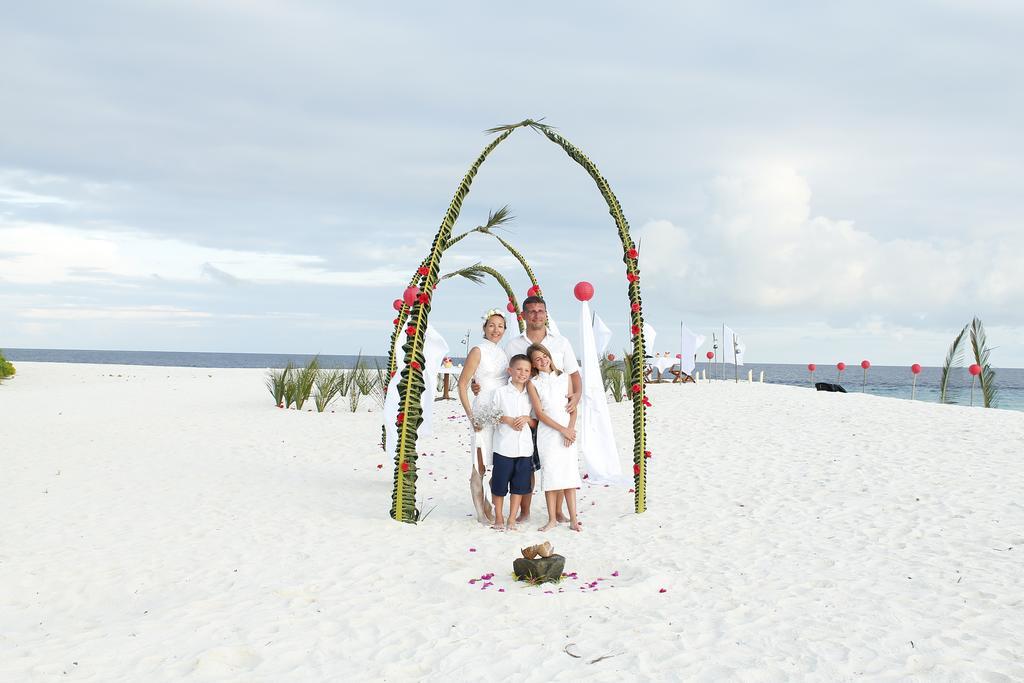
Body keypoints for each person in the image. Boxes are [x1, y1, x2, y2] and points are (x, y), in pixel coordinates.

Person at [504, 296, 581, 522]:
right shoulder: (513, 345)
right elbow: (504, 376)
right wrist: (478, 386)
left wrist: (576, 396)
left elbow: (574, 374)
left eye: (541, 311)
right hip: (526, 413)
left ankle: (557, 511)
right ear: (524, 315)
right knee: (526, 465)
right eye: (532, 311)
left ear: (546, 314)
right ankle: (525, 511)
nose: (537, 315)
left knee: (556, 461)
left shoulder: (561, 342)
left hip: (556, 415)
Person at [457, 310, 509, 524]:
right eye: (492, 325)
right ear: (484, 328)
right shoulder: (478, 350)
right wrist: (472, 417)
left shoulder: (503, 353)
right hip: (482, 410)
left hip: (501, 411)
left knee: (495, 459)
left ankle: (489, 505)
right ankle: (481, 512)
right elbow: (462, 385)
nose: (496, 330)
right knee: (479, 463)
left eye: (500, 326)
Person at [525, 343, 582, 532]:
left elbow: (572, 407)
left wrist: (570, 429)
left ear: (549, 356)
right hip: (548, 433)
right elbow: (540, 414)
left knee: (569, 475)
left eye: (544, 356)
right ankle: (552, 519)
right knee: (550, 475)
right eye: (537, 360)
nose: (543, 361)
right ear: (533, 365)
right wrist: (561, 430)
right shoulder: (533, 383)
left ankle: (574, 519)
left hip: (568, 432)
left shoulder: (565, 377)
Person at [487, 354, 537, 530]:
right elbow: (492, 416)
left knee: (519, 487)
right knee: (499, 486)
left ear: (530, 373)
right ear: (510, 371)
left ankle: (512, 519)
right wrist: (507, 419)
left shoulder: (531, 395)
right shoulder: (500, 393)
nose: (522, 373)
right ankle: (499, 517)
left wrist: (526, 419)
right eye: (519, 369)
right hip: (503, 447)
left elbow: (536, 420)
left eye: (526, 370)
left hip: (524, 449)